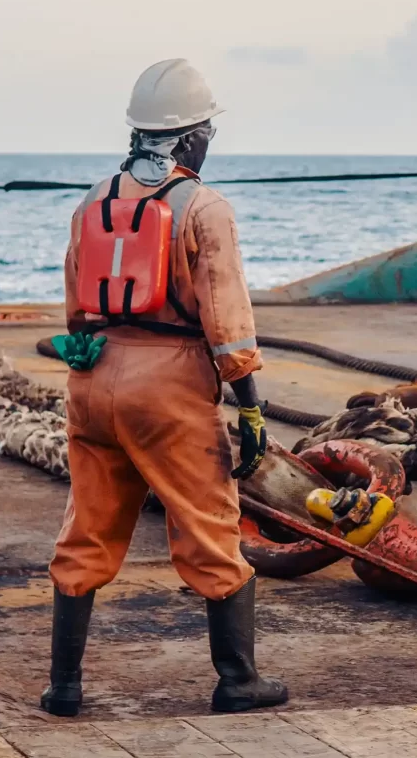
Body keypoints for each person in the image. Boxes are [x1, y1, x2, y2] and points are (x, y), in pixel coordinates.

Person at [41, 58, 287, 716]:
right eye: (207, 132)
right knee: (210, 527)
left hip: (92, 377)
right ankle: (238, 681)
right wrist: (253, 412)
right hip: (169, 385)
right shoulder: (202, 207)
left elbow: (73, 306)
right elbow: (227, 322)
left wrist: (91, 358)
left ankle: (64, 686)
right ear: (190, 137)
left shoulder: (93, 201)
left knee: (87, 528)